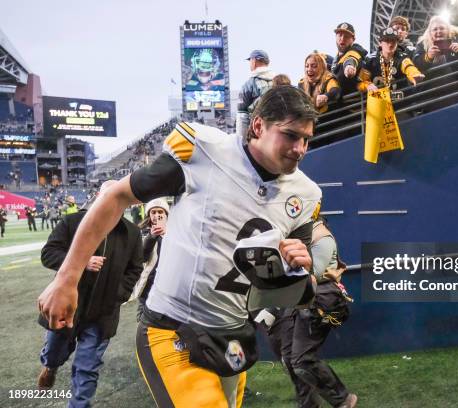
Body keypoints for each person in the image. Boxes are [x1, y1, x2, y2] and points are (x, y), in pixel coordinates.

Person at [38, 85, 322, 408]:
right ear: (258, 126)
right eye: (290, 135)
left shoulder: (305, 194)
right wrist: (66, 277)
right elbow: (116, 196)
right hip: (173, 328)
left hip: (233, 335)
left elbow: (303, 287)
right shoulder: (204, 151)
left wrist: (300, 268)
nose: (300, 148)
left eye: (306, 139)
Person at [36, 180, 143, 407]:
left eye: (118, 199)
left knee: (87, 368)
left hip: (103, 313)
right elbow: (48, 254)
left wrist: (118, 294)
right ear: (98, 197)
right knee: (55, 352)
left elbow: (135, 270)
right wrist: (82, 262)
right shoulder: (72, 221)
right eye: (107, 197)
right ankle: (50, 365)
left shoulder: (132, 233)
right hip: (68, 306)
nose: (112, 203)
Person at [266, 216, 355, 408]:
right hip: (297, 297)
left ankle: (343, 399)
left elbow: (312, 274)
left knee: (301, 360)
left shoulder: (321, 236)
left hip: (322, 295)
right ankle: (308, 405)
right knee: (290, 359)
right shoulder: (292, 236)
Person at [413, 16, 458, 110]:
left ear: (448, 30)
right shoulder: (422, 45)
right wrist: (428, 56)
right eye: (435, 29)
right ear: (430, 33)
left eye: (442, 28)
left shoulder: (457, 39)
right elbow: (415, 63)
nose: (438, 31)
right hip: (433, 100)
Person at [131, 198, 170, 322]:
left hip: (168, 286)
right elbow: (142, 257)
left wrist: (167, 235)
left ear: (166, 215)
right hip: (149, 285)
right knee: (142, 320)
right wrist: (151, 237)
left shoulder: (176, 232)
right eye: (153, 212)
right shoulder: (141, 232)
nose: (157, 215)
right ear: (149, 215)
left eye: (160, 212)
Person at [359, 28, 424, 94]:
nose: (390, 44)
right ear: (380, 43)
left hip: (402, 101)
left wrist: (414, 74)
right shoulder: (370, 60)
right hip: (379, 100)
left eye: (393, 41)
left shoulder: (402, 57)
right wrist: (367, 85)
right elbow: (361, 81)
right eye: (387, 41)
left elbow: (408, 66)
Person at [236, 50, 276, 140]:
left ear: (254, 61)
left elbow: (242, 116)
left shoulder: (249, 84)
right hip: (277, 134)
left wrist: (241, 142)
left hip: (257, 134)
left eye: (250, 61)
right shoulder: (278, 81)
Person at [330, 22, 369, 100]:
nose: (342, 39)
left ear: (353, 39)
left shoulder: (355, 52)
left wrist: (349, 66)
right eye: (340, 35)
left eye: (346, 36)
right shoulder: (336, 60)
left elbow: (351, 59)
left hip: (357, 105)